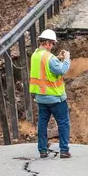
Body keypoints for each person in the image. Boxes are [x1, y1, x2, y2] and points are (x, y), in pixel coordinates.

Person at [29, 29, 72, 159]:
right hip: (55, 97)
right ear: (47, 43)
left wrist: (57, 58)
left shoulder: (35, 55)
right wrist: (66, 59)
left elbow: (46, 68)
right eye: (52, 43)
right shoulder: (49, 58)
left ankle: (42, 150)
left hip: (41, 98)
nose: (53, 46)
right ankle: (64, 150)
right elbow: (61, 70)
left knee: (42, 123)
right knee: (63, 123)